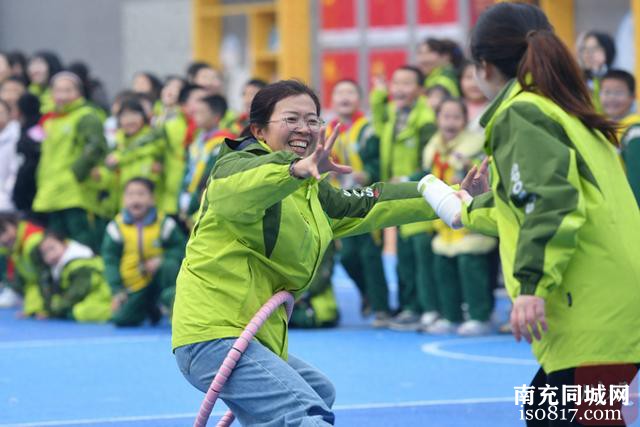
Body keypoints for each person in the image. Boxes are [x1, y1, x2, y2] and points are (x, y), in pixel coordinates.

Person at [172, 80, 481, 425]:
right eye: (291, 119)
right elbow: (234, 191)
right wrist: (292, 169)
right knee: (305, 414)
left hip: (256, 338)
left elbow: (372, 203)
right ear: (258, 129)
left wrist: (450, 195)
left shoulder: (311, 193)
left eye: (312, 119)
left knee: (318, 392)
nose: (304, 128)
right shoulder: (236, 166)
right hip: (214, 337)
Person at [453, 3, 640, 425]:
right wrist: (472, 208)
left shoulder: (522, 112)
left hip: (596, 305)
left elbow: (552, 202)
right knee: (547, 410)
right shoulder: (563, 107)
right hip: (611, 297)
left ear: (483, 66)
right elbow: (532, 203)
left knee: (572, 416)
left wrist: (532, 286)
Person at [370, 65, 439, 331]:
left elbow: (431, 157)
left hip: (420, 193)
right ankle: (410, 306)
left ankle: (428, 308)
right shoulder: (393, 114)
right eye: (396, 83)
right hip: (397, 196)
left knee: (421, 253)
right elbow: (378, 119)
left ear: (420, 90)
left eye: (407, 83)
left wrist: (413, 177)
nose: (399, 88)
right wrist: (378, 94)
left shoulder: (425, 120)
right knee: (403, 255)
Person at [421, 98, 496, 336]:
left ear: (465, 121)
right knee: (444, 268)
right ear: (438, 119)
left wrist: (467, 165)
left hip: (470, 217)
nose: (450, 122)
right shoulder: (432, 148)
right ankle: (450, 315)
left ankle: (479, 315)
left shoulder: (474, 147)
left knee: (470, 266)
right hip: (444, 219)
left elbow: (486, 177)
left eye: (456, 117)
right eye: (446, 116)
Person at [327, 79, 391, 327]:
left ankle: (382, 308)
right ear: (332, 100)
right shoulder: (326, 131)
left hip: (367, 200)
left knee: (371, 254)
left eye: (350, 92)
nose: (345, 97)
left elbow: (379, 161)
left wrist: (370, 174)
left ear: (359, 99)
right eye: (339, 92)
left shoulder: (368, 130)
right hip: (340, 202)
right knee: (348, 257)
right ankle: (367, 294)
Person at [31, 72, 108, 252]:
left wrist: (77, 172)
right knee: (57, 249)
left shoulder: (86, 115)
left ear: (79, 93)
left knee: (82, 246)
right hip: (52, 193)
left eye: (68, 90)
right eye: (57, 90)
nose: (62, 95)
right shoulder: (50, 120)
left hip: (75, 194)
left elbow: (96, 146)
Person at [102, 178, 186, 327]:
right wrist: (117, 290)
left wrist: (161, 259)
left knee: (170, 265)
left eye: (141, 194)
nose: (135, 199)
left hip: (160, 279)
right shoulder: (116, 227)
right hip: (134, 286)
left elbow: (181, 248)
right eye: (130, 194)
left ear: (152, 199)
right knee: (121, 319)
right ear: (123, 200)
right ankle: (152, 309)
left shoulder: (164, 223)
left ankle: (174, 303)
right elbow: (110, 260)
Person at [179, 94, 235, 221]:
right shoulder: (197, 140)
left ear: (216, 117)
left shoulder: (223, 142)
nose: (196, 116)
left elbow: (210, 174)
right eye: (195, 112)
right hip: (187, 197)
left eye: (201, 112)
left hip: (202, 200)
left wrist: (193, 201)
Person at [105, 97, 166, 209]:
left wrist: (121, 157)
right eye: (124, 116)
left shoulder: (153, 140)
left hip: (153, 208)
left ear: (143, 117)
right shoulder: (115, 144)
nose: (129, 120)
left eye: (134, 115)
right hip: (123, 208)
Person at [37, 231, 111, 322]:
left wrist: (53, 310)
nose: (50, 255)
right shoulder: (56, 268)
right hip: (94, 295)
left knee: (80, 311)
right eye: (45, 253)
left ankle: (117, 313)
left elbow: (77, 292)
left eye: (52, 248)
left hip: (105, 292)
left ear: (65, 244)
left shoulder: (79, 264)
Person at [161, 83, 207, 216]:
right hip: (171, 199)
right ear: (183, 104)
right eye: (199, 100)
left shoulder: (208, 130)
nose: (204, 105)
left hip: (198, 199)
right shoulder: (167, 126)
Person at [600, 69, 640, 205]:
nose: (611, 98)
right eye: (606, 92)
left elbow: (637, 181)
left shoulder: (635, 132)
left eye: (618, 93)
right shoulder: (605, 129)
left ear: (633, 96)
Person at [0, 213, 45, 314]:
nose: (3, 238)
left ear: (13, 224)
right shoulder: (11, 244)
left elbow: (48, 277)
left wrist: (48, 308)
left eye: (4, 231)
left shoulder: (33, 242)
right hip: (36, 283)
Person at [12, 93, 43, 216]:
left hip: (30, 192)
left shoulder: (28, 132)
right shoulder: (42, 127)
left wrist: (18, 194)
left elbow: (28, 163)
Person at [577, 31, 616, 113]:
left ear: (607, 50)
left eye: (595, 49)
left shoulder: (617, 79)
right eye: (584, 49)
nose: (588, 54)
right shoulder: (577, 79)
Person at [0, 99, 20, 212]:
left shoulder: (16, 136)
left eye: (1, 112)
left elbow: (14, 171)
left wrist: (6, 194)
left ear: (10, 114)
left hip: (8, 201)